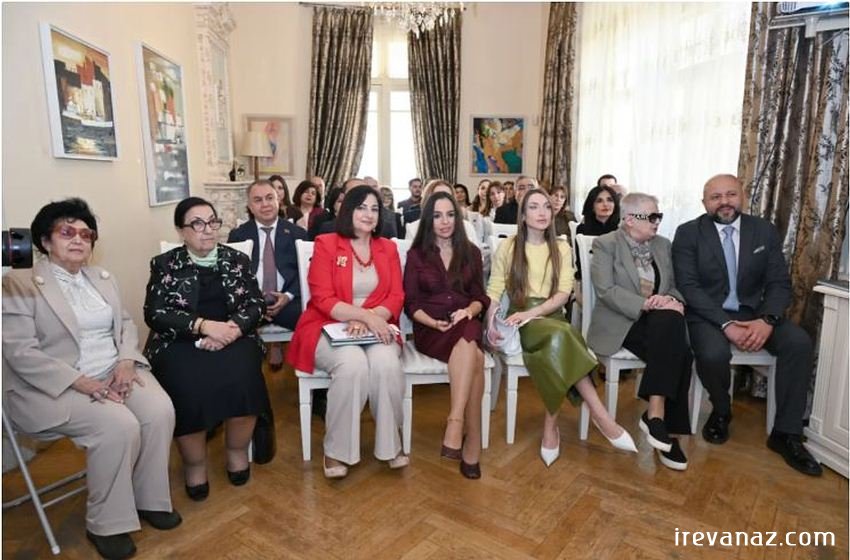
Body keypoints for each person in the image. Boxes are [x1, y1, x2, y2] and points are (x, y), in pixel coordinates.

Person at [2, 198, 180, 560]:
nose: (78, 239)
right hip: (51, 386)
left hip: (113, 370)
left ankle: (149, 499)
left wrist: (126, 362)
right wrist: (83, 383)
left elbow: (125, 324)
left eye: (86, 234)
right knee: (119, 426)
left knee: (159, 410)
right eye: (67, 231)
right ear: (45, 240)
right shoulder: (18, 283)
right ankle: (106, 523)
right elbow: (20, 353)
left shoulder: (101, 277)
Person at [672, 174, 822, 476]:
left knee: (799, 343)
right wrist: (726, 323)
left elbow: (779, 283)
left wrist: (768, 320)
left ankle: (786, 433)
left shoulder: (763, 230)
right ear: (704, 203)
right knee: (712, 353)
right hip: (708, 315)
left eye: (731, 194)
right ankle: (721, 410)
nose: (724, 202)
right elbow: (689, 287)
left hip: (755, 314)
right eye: (715, 197)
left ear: (742, 196)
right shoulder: (688, 233)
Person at [486, 188, 636, 467]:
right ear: (523, 215)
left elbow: (564, 293)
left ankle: (551, 426)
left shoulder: (562, 248)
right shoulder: (508, 247)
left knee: (561, 336)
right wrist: (490, 322)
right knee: (565, 336)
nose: (542, 212)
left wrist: (534, 313)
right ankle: (602, 417)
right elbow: (494, 289)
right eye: (533, 207)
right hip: (521, 320)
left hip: (551, 316)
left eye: (546, 206)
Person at [144, 197, 271, 501]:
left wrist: (232, 329)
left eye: (212, 222)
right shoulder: (165, 264)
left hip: (234, 335)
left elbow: (256, 304)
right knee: (186, 383)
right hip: (181, 341)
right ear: (181, 230)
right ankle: (195, 465)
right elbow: (155, 313)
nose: (208, 229)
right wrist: (203, 326)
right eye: (197, 224)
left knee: (244, 376)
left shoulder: (236, 260)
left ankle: (236, 451)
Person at [287, 185, 408, 478]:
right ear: (348, 210)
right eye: (361, 207)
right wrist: (363, 316)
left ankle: (390, 445)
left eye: (374, 208)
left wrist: (371, 319)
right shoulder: (327, 243)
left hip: (378, 323)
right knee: (352, 364)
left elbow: (396, 296)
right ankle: (336, 450)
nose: (369, 214)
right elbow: (322, 297)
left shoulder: (388, 248)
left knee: (386, 363)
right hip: (328, 324)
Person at [586, 193, 692, 471]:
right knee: (680, 350)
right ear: (630, 219)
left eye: (659, 216)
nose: (657, 222)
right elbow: (606, 290)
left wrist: (672, 301)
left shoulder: (663, 245)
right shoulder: (606, 244)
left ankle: (656, 416)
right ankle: (666, 432)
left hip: (659, 321)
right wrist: (645, 304)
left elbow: (673, 286)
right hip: (622, 322)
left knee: (670, 324)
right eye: (652, 217)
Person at [404, 192, 489, 479]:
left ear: (458, 217)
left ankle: (456, 421)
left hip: (465, 322)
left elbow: (480, 297)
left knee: (468, 332)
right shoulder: (416, 255)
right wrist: (431, 322)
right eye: (438, 215)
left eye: (450, 214)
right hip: (432, 329)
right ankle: (471, 438)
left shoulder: (471, 252)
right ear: (428, 220)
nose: (445, 221)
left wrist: (469, 311)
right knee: (476, 356)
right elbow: (411, 303)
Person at [228, 180, 306, 369]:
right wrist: (255, 301)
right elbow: (232, 277)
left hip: (289, 303)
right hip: (251, 304)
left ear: (278, 200)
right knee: (229, 326)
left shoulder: (297, 233)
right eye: (258, 200)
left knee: (314, 323)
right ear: (250, 206)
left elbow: (305, 274)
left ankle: (311, 378)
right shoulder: (238, 235)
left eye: (269, 198)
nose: (265, 204)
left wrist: (288, 296)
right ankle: (244, 370)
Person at [405, 180, 479, 244]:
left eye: (448, 196)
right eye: (437, 196)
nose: (443, 200)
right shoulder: (413, 229)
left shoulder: (467, 227)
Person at [574, 185, 621, 280]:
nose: (605, 204)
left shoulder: (622, 228)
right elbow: (580, 264)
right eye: (599, 201)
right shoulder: (583, 229)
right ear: (592, 206)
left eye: (610, 200)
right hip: (592, 278)